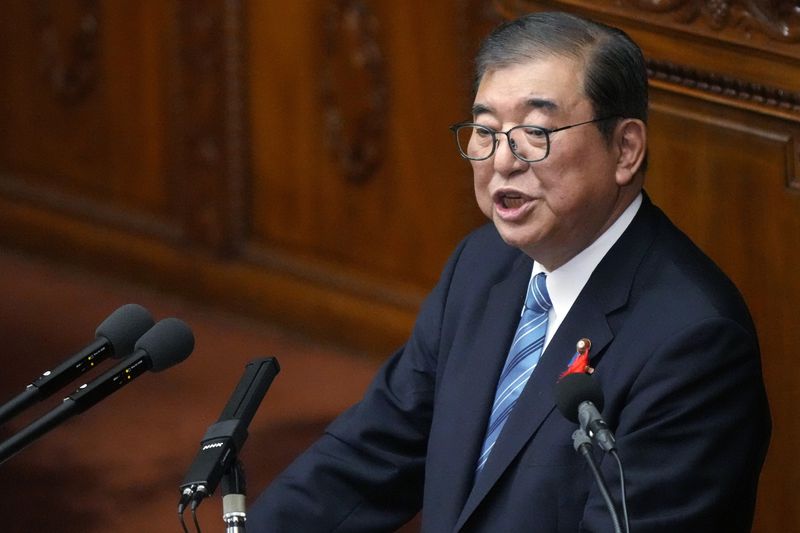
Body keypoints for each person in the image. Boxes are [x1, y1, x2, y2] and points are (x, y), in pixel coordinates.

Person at [247, 11, 770, 532]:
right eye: (485, 131)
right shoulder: (482, 267)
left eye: (535, 132)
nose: (502, 161)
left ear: (625, 149)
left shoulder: (693, 342)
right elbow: (371, 457)